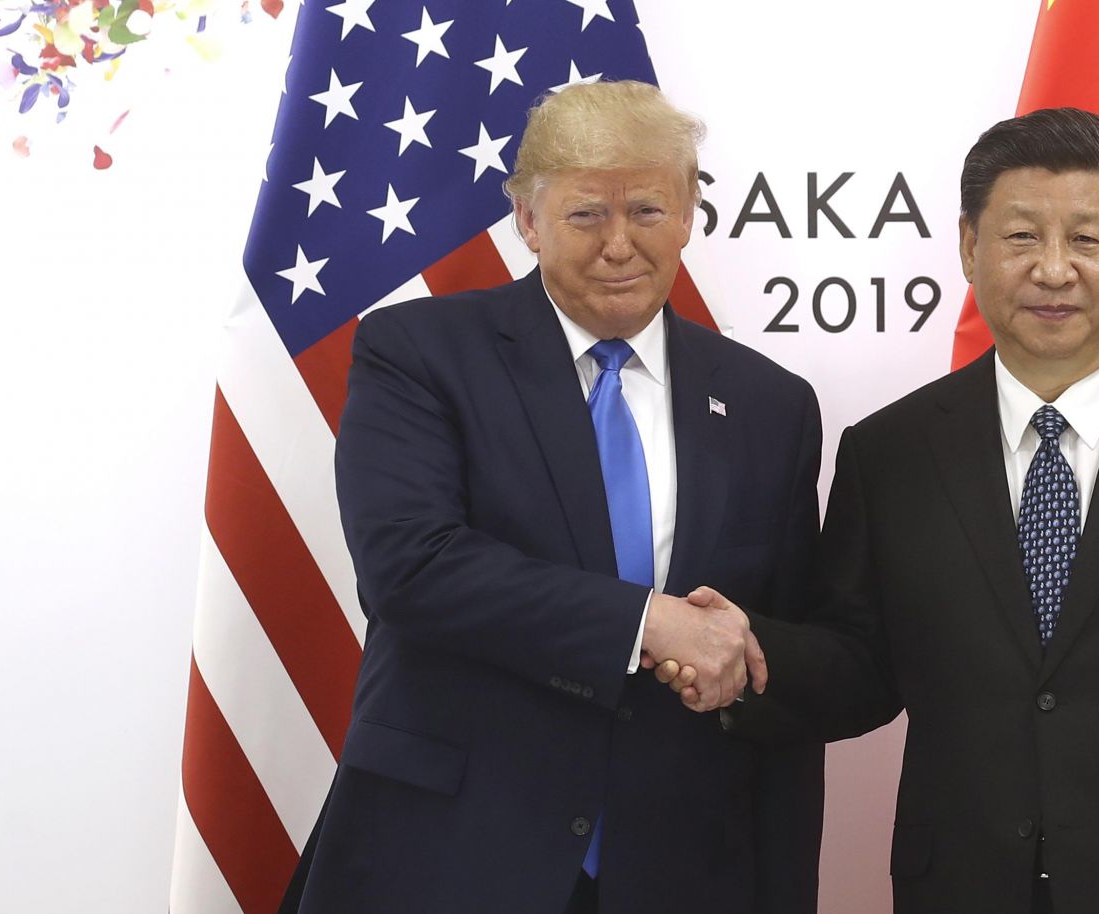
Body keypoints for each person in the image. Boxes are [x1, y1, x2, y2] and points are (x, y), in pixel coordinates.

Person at [668, 107, 1099, 914]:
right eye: (1022, 237)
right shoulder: (890, 452)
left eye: (1088, 240)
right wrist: (745, 657)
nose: (1055, 270)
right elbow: (861, 670)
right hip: (965, 887)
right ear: (969, 246)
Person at [286, 80, 824, 914]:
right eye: (585, 216)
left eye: (647, 211)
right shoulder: (418, 351)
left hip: (681, 871)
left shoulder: (770, 404)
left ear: (688, 215)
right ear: (528, 220)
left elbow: (777, 667)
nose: (620, 245)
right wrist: (650, 623)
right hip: (453, 859)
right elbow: (410, 568)